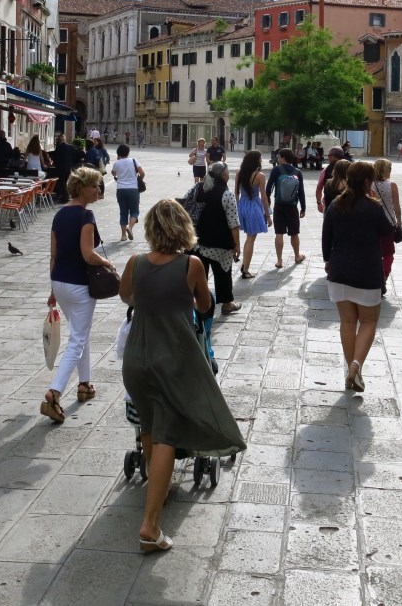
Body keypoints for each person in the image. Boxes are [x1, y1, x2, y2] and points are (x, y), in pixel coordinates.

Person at [119, 199, 246, 553]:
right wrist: (184, 301)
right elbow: (205, 304)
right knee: (166, 435)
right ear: (183, 227)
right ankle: (150, 525)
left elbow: (126, 296)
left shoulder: (135, 262)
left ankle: (157, 491)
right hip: (172, 358)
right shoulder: (191, 265)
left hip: (137, 359)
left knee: (148, 425)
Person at [41, 167, 114, 423]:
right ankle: (54, 392)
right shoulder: (86, 215)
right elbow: (88, 254)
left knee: (81, 333)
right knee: (78, 339)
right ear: (81, 188)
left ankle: (85, 383)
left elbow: (54, 255)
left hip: (60, 281)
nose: (98, 190)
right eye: (94, 185)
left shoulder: (59, 214)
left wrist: (53, 289)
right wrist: (107, 263)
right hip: (79, 285)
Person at [322, 161, 394, 391]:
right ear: (367, 182)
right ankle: (356, 366)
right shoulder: (373, 207)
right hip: (367, 272)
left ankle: (352, 371)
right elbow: (389, 231)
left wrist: (327, 260)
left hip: (339, 270)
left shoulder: (336, 204)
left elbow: (326, 237)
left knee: (347, 322)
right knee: (369, 322)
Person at [192, 161, 242, 317]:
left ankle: (200, 304)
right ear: (225, 175)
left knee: (199, 275)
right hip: (219, 243)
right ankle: (227, 304)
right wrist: (236, 245)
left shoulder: (197, 188)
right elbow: (233, 223)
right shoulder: (227, 194)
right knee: (223, 273)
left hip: (197, 241)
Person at [266, 148, 306, 268]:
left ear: (283, 158)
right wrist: (303, 207)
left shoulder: (276, 170)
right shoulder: (297, 172)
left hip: (279, 205)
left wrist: (268, 202)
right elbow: (301, 192)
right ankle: (297, 256)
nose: (278, 159)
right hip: (292, 206)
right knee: (294, 233)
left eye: (279, 157)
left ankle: (279, 261)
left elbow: (268, 188)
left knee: (279, 233)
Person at [234, 150, 269, 279]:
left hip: (242, 205)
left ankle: (244, 265)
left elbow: (236, 193)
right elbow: (264, 197)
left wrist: (237, 208)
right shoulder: (260, 176)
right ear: (256, 160)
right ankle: (245, 269)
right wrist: (268, 215)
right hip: (254, 206)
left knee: (249, 237)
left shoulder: (239, 173)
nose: (261, 160)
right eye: (260, 158)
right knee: (251, 238)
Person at [372, 158, 402, 286]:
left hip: (371, 223)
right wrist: (399, 223)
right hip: (388, 223)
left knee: (373, 251)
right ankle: (384, 276)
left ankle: (373, 275)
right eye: (390, 168)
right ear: (386, 170)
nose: (391, 171)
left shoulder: (368, 184)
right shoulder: (392, 185)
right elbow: (396, 207)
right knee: (388, 253)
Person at [111, 144, 145, 241]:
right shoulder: (134, 161)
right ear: (128, 152)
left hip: (120, 189)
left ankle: (123, 236)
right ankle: (130, 228)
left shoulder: (117, 163)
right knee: (134, 211)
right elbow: (142, 173)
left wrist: (118, 176)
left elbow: (113, 173)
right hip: (133, 189)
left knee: (123, 212)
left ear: (118, 153)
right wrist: (138, 179)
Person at [52, 133, 79, 203]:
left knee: (62, 182)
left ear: (59, 140)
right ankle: (66, 196)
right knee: (66, 182)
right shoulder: (70, 147)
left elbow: (56, 157)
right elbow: (75, 157)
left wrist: (54, 164)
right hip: (68, 167)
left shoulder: (59, 147)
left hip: (61, 168)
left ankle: (65, 197)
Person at [315, 146, 344, 212]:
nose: (328, 157)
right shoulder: (349, 168)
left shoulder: (325, 170)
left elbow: (319, 188)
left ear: (333, 156)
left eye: (329, 155)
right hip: (347, 204)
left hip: (329, 204)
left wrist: (319, 203)